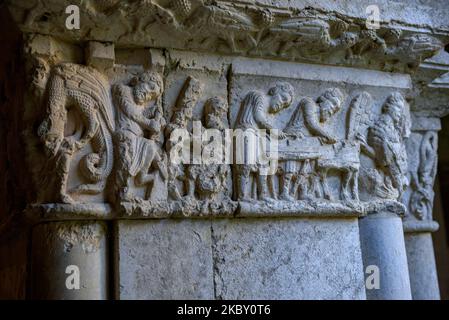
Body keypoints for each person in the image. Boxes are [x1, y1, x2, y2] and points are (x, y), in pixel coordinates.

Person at [234, 82, 294, 201]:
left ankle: (262, 195)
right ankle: (242, 196)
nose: (281, 104)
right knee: (245, 164)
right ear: (274, 91)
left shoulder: (266, 112)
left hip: (256, 135)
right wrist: (274, 131)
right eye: (283, 98)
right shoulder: (258, 96)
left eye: (284, 105)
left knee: (263, 165)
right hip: (246, 132)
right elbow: (258, 118)